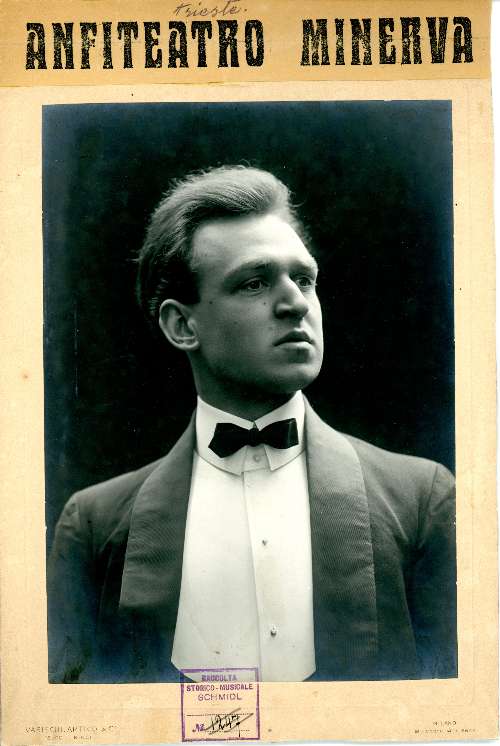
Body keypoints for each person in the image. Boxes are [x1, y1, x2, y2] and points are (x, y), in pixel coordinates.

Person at [47, 165, 457, 684]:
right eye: (255, 282)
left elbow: (453, 708)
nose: (296, 303)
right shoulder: (95, 527)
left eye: (303, 279)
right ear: (182, 324)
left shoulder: (420, 502)